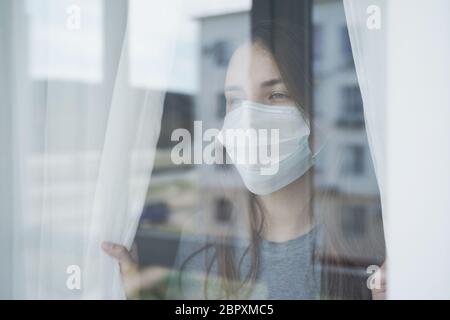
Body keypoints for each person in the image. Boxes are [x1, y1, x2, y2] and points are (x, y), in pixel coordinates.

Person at [103, 22, 386, 300]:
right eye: (235, 100)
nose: (248, 121)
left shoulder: (370, 245)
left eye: (276, 95)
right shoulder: (207, 235)